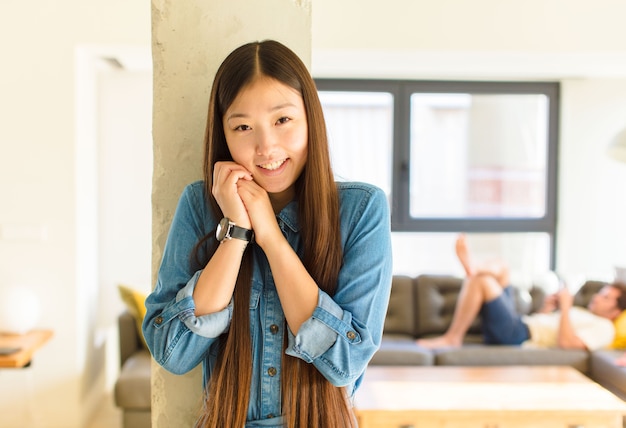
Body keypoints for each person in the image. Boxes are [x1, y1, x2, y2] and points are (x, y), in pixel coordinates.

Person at [142, 40, 393, 428]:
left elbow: (343, 361)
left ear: (310, 118)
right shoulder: (199, 204)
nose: (266, 147)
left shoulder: (362, 210)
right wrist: (237, 231)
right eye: (243, 126)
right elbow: (173, 352)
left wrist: (271, 236)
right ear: (223, 134)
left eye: (282, 120)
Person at [417, 234, 626, 351]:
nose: (597, 297)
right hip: (521, 324)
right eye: (601, 293)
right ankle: (473, 268)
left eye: (606, 297)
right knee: (503, 267)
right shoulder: (586, 315)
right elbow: (546, 329)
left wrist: (565, 308)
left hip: (517, 336)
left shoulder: (604, 328)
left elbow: (567, 344)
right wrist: (548, 309)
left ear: (616, 311)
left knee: (483, 282)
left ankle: (453, 337)